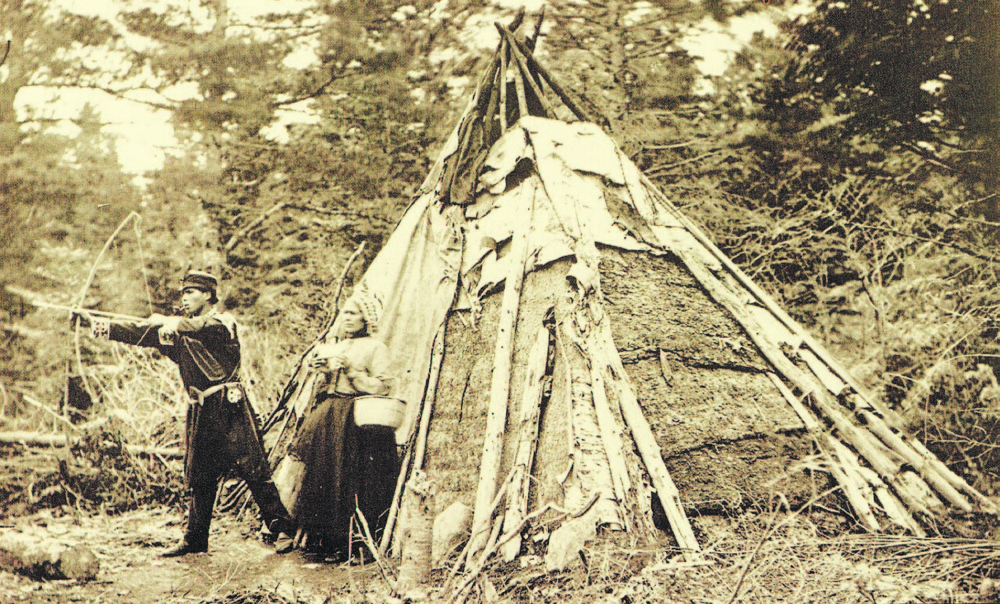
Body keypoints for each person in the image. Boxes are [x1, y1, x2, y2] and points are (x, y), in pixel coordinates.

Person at [73, 270, 294, 557]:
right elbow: (137, 333)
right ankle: (195, 539)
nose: (185, 298)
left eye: (191, 292)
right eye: (183, 293)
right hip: (200, 409)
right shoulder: (179, 331)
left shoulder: (221, 323)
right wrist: (93, 324)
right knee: (199, 474)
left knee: (253, 468)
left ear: (208, 295)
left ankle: (282, 529)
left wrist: (170, 322)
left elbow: (202, 327)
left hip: (229, 406)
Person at [287, 291, 399, 560]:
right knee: (323, 476)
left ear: (366, 318)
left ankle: (350, 545)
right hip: (329, 417)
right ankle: (322, 541)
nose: (347, 319)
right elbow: (321, 384)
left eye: (353, 314)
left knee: (350, 479)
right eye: (344, 313)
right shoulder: (332, 344)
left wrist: (351, 371)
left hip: (356, 420)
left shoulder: (375, 348)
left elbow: (382, 387)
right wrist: (317, 367)